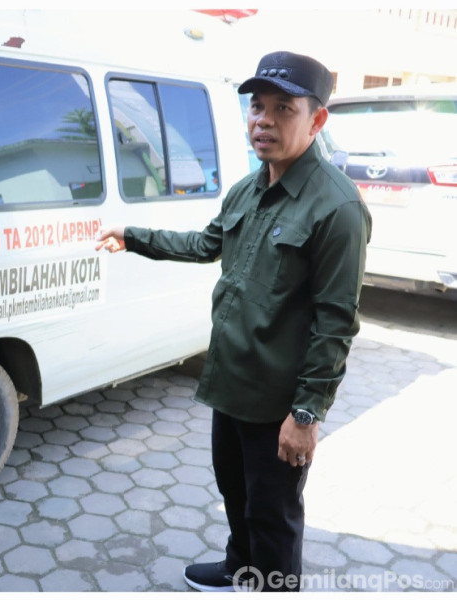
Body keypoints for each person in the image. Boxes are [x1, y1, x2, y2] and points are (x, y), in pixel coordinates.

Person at [97, 51, 371, 592]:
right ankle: (238, 565)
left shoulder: (337, 208)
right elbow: (207, 243)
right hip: (231, 384)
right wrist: (134, 237)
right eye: (256, 107)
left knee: (273, 512)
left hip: (279, 403)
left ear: (316, 121)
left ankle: (271, 584)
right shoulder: (248, 189)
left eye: (282, 109)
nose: (262, 120)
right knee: (236, 493)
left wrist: (306, 413)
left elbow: (335, 323)